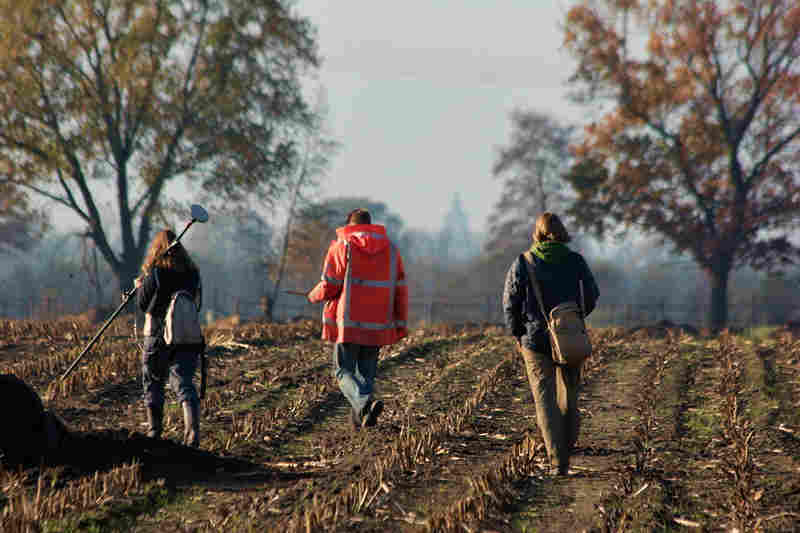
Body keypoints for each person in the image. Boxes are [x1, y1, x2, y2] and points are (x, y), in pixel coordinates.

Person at [502, 212, 599, 475]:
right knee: (569, 395)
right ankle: (567, 445)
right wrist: (575, 318)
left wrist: (518, 334)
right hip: (569, 337)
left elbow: (510, 303)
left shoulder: (524, 262)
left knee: (545, 400)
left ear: (538, 233)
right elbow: (592, 294)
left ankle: (559, 461)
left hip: (534, 340)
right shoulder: (576, 261)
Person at [307, 208, 408, 430]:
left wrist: (313, 295)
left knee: (343, 371)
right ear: (370, 225)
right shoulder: (391, 250)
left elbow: (330, 285)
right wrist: (400, 323)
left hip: (349, 323)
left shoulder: (342, 246)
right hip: (378, 324)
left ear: (349, 225)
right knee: (366, 374)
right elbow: (400, 289)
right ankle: (362, 421)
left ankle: (365, 404)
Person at [135, 229, 204, 447]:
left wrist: (140, 286)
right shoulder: (193, 273)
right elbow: (196, 303)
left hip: (157, 335)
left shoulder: (156, 272)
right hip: (187, 336)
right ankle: (192, 435)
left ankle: (154, 432)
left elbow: (143, 304)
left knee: (153, 381)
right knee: (184, 383)